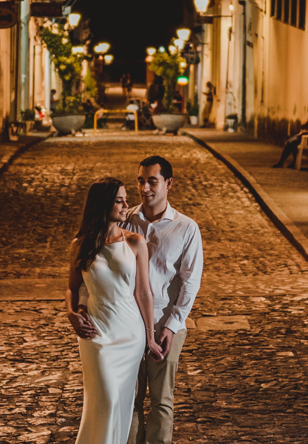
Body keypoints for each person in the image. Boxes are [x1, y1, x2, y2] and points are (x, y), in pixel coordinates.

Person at [67, 178, 165, 444]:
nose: (125, 205)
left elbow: (143, 292)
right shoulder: (81, 244)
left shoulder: (135, 242)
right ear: (102, 205)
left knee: (120, 402)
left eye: (125, 199)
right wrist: (71, 313)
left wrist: (150, 337)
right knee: (105, 399)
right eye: (119, 200)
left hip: (129, 333)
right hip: (95, 332)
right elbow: (72, 288)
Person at [123, 155, 203, 444]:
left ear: (168, 183)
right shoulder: (126, 220)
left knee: (161, 400)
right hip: (129, 323)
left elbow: (190, 281)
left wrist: (172, 326)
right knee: (129, 399)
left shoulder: (186, 228)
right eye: (140, 181)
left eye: (152, 181)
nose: (145, 188)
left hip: (164, 323)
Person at [272, 104, 308, 168]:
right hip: (307, 139)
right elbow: (303, 127)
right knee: (291, 143)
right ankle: (284, 162)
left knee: (293, 143)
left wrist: (305, 133)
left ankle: (286, 162)